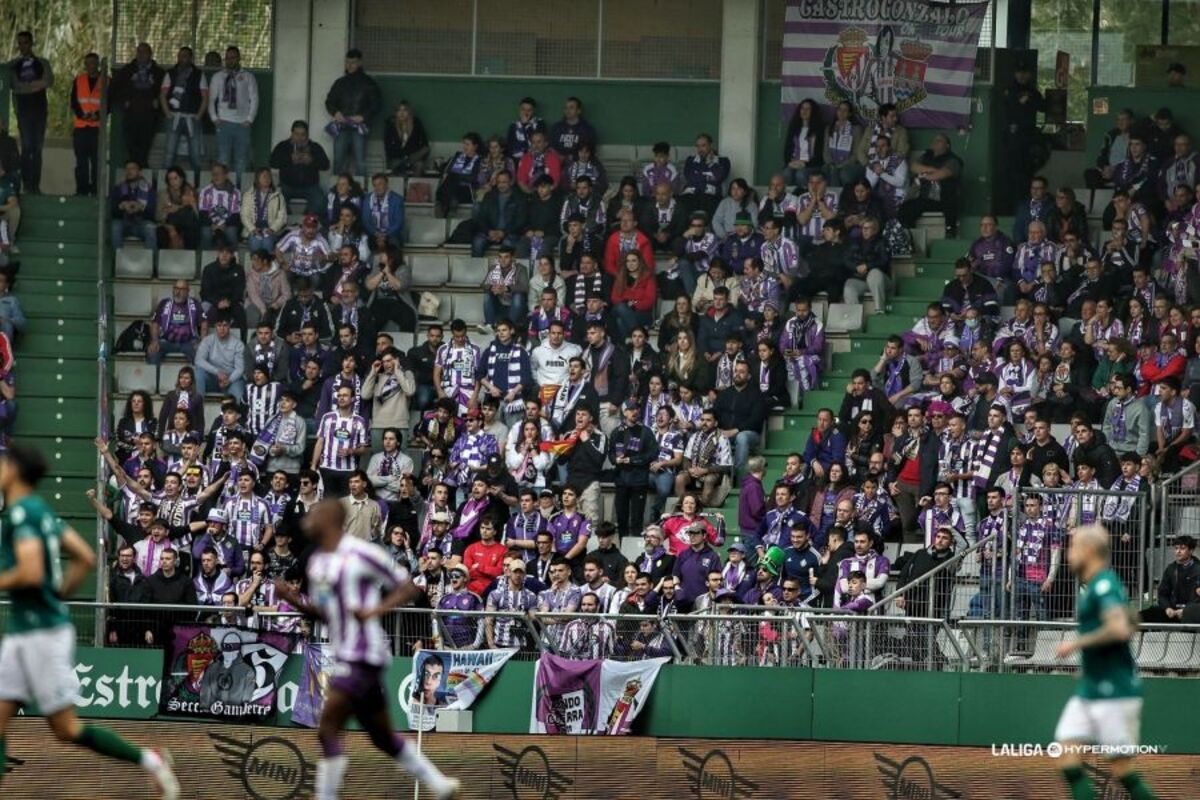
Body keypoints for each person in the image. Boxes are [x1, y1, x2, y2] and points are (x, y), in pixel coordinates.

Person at [0, 443, 181, 797]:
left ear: (15, 470)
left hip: (38, 633)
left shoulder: (21, 514)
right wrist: (59, 595)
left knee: (66, 729)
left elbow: (31, 571)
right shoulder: (42, 513)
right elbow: (84, 556)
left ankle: (151, 760)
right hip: (29, 628)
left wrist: (39, 592)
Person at [273, 501, 462, 800]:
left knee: (328, 728)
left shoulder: (361, 553)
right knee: (382, 737)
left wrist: (375, 610)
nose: (308, 519)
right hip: (345, 651)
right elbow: (326, 614)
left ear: (332, 518)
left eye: (315, 513)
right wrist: (293, 599)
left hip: (363, 652)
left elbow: (408, 587)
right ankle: (440, 785)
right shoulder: (318, 562)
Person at [1053, 524, 1158, 800]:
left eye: (1072, 548)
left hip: (1116, 690)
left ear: (1088, 550)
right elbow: (1129, 621)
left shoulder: (1103, 585)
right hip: (1091, 688)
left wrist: (1076, 643)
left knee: (1122, 769)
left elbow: (1120, 629)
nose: (1068, 555)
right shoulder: (1099, 585)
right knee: (1067, 756)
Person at [324, 49, 382, 176]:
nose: (350, 65)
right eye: (348, 62)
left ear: (360, 63)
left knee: (360, 162)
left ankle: (361, 193)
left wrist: (363, 116)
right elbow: (329, 102)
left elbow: (377, 104)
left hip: (359, 128)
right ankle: (337, 192)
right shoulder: (340, 83)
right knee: (338, 161)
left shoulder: (368, 83)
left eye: (353, 62)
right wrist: (336, 113)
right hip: (342, 127)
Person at [8, 31, 53, 192]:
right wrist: (36, 84)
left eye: (25, 42)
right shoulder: (14, 65)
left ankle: (35, 186)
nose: (22, 46)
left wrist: (29, 85)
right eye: (19, 43)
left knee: (37, 149)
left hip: (40, 111)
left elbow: (48, 81)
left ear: (31, 43)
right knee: (26, 148)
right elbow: (16, 86)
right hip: (23, 112)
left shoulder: (42, 62)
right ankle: (27, 185)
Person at [208, 46, 259, 185]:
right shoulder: (218, 77)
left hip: (242, 123)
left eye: (233, 57)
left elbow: (254, 98)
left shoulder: (248, 76)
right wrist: (214, 118)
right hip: (223, 122)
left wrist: (250, 119)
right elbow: (211, 99)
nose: (230, 60)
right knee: (223, 158)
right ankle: (222, 188)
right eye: (228, 58)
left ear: (238, 58)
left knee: (241, 159)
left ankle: (238, 189)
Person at [159, 46, 208, 173]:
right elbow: (163, 95)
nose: (183, 58)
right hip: (174, 116)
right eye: (180, 56)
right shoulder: (170, 73)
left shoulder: (198, 74)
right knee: (169, 153)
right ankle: (166, 182)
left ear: (191, 58)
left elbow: (205, 97)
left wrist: (198, 115)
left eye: (186, 56)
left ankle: (197, 182)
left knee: (195, 154)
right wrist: (167, 113)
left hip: (192, 117)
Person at [271, 120, 332, 214]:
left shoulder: (314, 147)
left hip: (310, 187)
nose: (299, 137)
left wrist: (312, 161)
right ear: (292, 134)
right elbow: (272, 163)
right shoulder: (283, 146)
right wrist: (289, 159)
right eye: (296, 134)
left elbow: (326, 165)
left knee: (320, 202)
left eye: (303, 134)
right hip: (287, 186)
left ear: (307, 135)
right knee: (276, 201)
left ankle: (306, 220)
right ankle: (288, 220)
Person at [70, 52, 103, 196]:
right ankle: (81, 191)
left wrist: (97, 115)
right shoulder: (79, 79)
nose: (91, 66)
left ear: (98, 64)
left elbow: (109, 102)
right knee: (81, 162)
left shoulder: (106, 80)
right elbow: (74, 102)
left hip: (97, 128)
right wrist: (82, 115)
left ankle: (95, 191)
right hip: (81, 127)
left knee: (96, 162)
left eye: (93, 63)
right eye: (88, 63)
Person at [384, 101, 430, 176]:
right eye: (399, 110)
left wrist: (409, 157)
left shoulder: (416, 123)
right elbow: (388, 147)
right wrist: (403, 156)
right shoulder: (390, 124)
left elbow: (424, 144)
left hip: (413, 157)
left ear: (409, 112)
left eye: (404, 110)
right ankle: (406, 163)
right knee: (397, 164)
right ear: (396, 113)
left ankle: (414, 185)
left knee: (420, 163)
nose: (402, 113)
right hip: (397, 158)